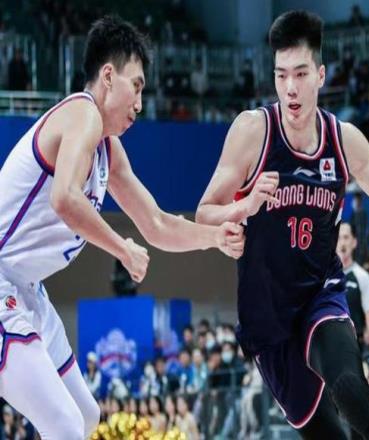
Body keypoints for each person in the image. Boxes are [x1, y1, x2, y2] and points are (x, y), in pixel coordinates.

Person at [196, 10, 369, 439]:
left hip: (319, 293)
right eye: (281, 75)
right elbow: (204, 212)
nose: (290, 87)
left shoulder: (343, 139)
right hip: (268, 317)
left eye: (300, 73)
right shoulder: (252, 131)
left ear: (321, 76)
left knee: (349, 387)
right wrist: (244, 206)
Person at [0, 15, 244, 440]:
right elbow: (65, 198)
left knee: (86, 416)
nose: (140, 103)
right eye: (137, 85)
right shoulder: (83, 114)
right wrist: (121, 248)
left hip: (28, 289)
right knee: (65, 425)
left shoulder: (108, 152)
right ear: (109, 76)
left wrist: (214, 237)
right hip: (2, 282)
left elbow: (157, 223)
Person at [337, 222, 369, 392]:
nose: (342, 243)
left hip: (355, 350)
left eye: (346, 237)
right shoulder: (323, 276)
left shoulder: (362, 277)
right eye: (338, 237)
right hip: (329, 350)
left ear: (354, 242)